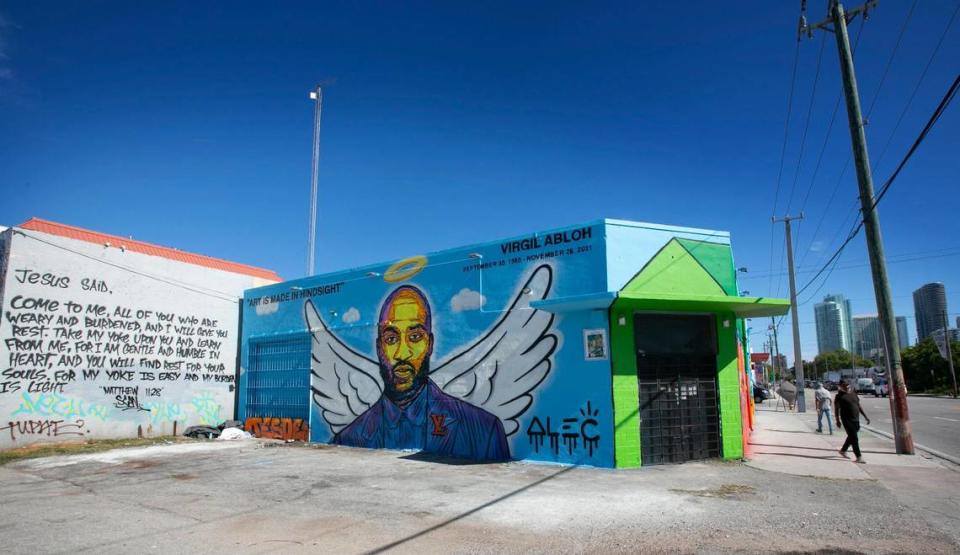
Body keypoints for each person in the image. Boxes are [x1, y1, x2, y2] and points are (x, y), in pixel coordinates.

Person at [334, 285, 510, 461]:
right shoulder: (349, 436)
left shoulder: (485, 431)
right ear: (379, 348)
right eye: (391, 339)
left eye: (415, 337)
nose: (402, 353)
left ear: (430, 344)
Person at [834, 381, 870, 463]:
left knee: (852, 436)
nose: (846, 387)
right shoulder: (839, 396)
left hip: (856, 419)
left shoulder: (853, 393)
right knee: (854, 438)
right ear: (840, 386)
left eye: (847, 385)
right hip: (846, 419)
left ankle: (843, 450)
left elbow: (858, 405)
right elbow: (836, 409)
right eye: (844, 386)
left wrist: (865, 416)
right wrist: (837, 420)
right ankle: (859, 457)